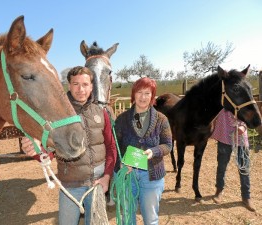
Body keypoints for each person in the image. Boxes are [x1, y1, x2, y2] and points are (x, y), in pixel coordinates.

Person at [21, 66, 117, 225]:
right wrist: (35, 150)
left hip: (98, 183)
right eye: (76, 84)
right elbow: (49, 153)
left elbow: (111, 147)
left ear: (92, 86)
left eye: (85, 84)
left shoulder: (102, 113)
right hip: (71, 185)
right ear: (69, 85)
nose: (81, 89)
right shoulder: (57, 115)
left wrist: (107, 177)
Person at [114, 77, 172, 225]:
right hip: (128, 174)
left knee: (151, 218)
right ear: (134, 94)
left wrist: (155, 151)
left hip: (151, 175)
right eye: (139, 92)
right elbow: (115, 147)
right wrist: (120, 164)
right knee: (127, 216)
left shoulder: (161, 119)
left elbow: (168, 145)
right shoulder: (121, 119)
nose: (143, 97)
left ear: (152, 96)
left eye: (147, 93)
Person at [211, 108, 255, 211]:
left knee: (244, 168)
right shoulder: (223, 100)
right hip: (224, 136)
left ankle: (246, 197)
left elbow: (249, 117)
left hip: (240, 138)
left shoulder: (243, 101)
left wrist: (243, 127)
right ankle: (219, 190)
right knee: (222, 165)